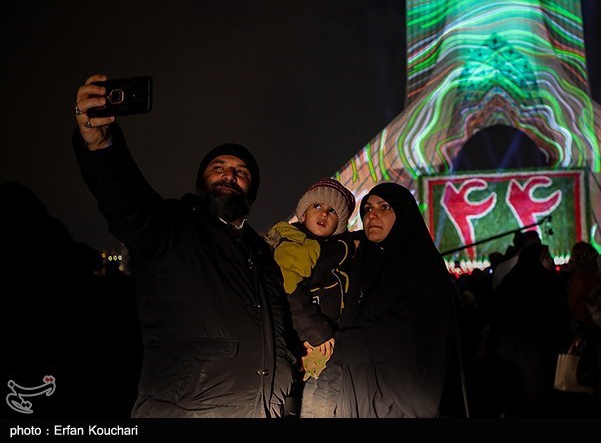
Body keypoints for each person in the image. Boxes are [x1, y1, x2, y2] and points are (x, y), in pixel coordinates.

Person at [71, 74, 295, 418]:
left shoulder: (262, 252)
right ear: (201, 180)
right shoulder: (171, 226)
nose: (229, 175)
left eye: (241, 172)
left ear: (252, 191)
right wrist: (101, 147)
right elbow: (125, 198)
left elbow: (277, 328)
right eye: (218, 168)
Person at [329, 182, 455, 418]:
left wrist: (332, 348)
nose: (372, 215)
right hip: (359, 397)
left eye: (384, 207)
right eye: (367, 208)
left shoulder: (422, 267)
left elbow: (400, 332)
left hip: (401, 402)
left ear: (403, 214)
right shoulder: (361, 262)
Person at [265, 178, 357, 418]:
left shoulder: (331, 247)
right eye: (317, 206)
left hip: (321, 341)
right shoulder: (298, 243)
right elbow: (288, 289)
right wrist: (316, 331)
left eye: (332, 211)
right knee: (317, 400)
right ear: (303, 213)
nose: (324, 213)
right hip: (311, 341)